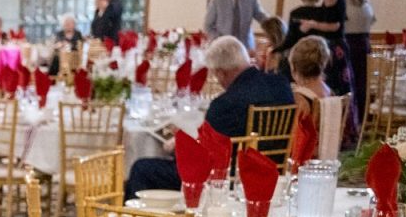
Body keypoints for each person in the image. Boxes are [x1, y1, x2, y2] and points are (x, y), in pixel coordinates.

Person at [124, 35, 294, 197]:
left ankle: (141, 216)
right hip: (274, 168)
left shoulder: (225, 104)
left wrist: (180, 145)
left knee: (141, 168)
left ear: (220, 73)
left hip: (229, 176)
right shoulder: (281, 84)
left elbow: (204, 155)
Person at [202, 0, 267, 51]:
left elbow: (262, 17)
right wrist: (218, 39)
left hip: (245, 45)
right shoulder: (217, 1)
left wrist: (274, 25)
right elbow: (207, 26)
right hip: (222, 45)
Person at [342, 0, 374, 123]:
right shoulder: (366, 6)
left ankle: (350, 116)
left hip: (348, 43)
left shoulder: (344, 5)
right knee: (362, 82)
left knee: (349, 81)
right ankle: (361, 115)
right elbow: (371, 22)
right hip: (364, 43)